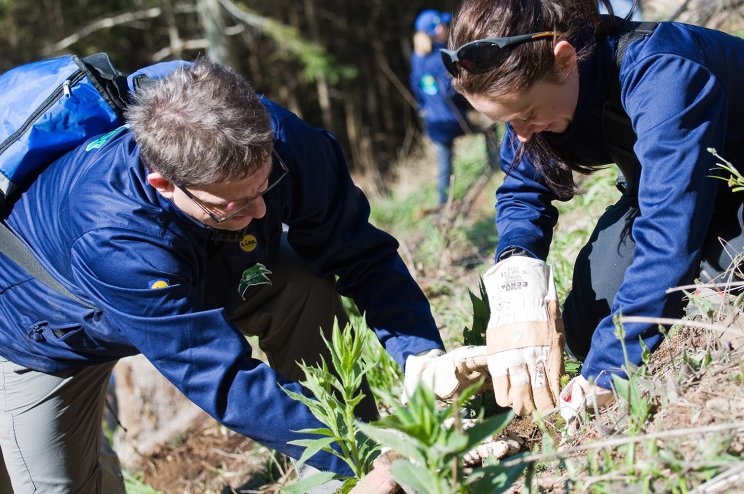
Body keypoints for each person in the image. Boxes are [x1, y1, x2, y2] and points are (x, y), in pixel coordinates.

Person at [0, 58, 445, 492]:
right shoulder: (112, 236)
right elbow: (222, 378)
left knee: (301, 286)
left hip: (210, 266)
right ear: (165, 184)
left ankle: (341, 479)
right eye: (233, 205)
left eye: (265, 186)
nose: (262, 211)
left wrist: (421, 355)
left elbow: (360, 254)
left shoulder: (274, 138)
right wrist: (362, 453)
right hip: (48, 330)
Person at [407, 0, 744, 425]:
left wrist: (608, 370)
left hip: (731, 183)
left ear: (564, 61)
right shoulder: (535, 103)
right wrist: (518, 272)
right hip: (671, 191)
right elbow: (521, 192)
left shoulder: (662, 71)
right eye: (508, 123)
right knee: (587, 327)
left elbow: (669, 227)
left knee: (704, 280)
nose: (522, 136)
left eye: (528, 115)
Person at [410, 9, 485, 208]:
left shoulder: (417, 58)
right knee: (489, 127)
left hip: (433, 122)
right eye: (441, 25)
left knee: (444, 163)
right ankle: (494, 168)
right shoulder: (441, 56)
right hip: (453, 120)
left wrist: (423, 107)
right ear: (435, 30)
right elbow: (452, 91)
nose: (446, 27)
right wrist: (470, 102)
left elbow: (417, 88)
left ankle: (444, 201)